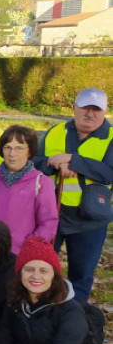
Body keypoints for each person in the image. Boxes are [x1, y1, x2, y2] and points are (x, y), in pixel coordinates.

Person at [34, 87, 113, 302]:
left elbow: (109, 173)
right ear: (74, 108)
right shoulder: (55, 131)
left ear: (105, 111)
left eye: (96, 109)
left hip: (89, 219)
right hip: (51, 213)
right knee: (41, 268)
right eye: (85, 108)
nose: (90, 114)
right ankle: (40, 312)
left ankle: (73, 321)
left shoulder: (111, 137)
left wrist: (73, 161)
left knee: (81, 275)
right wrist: (54, 163)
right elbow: (35, 164)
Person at [0, 125, 58, 254]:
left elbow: (48, 222)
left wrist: (30, 246)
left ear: (30, 151)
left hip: (19, 254)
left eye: (19, 148)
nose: (12, 154)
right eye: (7, 147)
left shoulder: (41, 183)